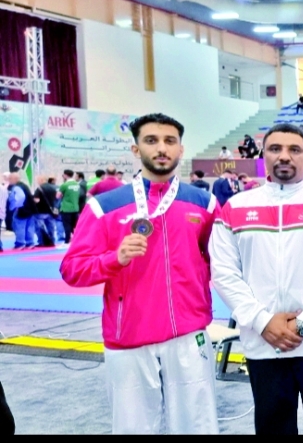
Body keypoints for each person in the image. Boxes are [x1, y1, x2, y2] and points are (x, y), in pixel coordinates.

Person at [60, 113, 220, 434]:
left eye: (169, 141)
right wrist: (113, 259)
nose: (161, 148)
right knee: (133, 428)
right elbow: (72, 270)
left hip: (189, 334)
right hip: (129, 336)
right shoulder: (105, 206)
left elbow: (222, 263)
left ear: (180, 149)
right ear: (136, 150)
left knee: (197, 426)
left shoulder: (204, 203)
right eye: (151, 141)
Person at [211, 123, 303, 435]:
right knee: (272, 427)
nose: (284, 156)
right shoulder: (236, 208)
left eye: (294, 150)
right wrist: (262, 322)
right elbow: (223, 272)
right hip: (264, 342)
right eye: (275, 149)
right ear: (263, 156)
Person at [8, 172, 37, 250]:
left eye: (10, 178)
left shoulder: (16, 187)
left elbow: (21, 197)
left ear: (15, 179)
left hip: (21, 210)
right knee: (29, 227)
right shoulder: (25, 186)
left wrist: (15, 206)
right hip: (30, 210)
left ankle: (20, 243)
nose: (9, 180)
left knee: (19, 227)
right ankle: (30, 243)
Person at [57, 170, 83, 245]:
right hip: (75, 207)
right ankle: (76, 240)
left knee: (67, 225)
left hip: (66, 208)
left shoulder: (64, 185)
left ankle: (67, 241)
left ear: (65, 175)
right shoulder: (77, 184)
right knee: (75, 225)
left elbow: (58, 196)